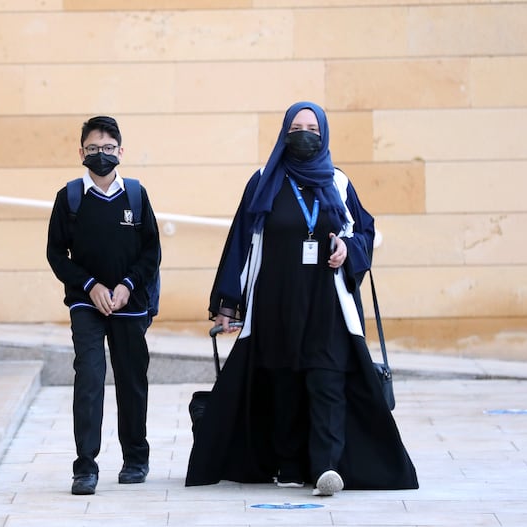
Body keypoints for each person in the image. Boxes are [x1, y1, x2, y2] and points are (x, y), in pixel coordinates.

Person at [185, 102, 418, 496]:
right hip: (276, 303)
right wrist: (228, 304)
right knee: (284, 382)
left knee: (327, 380)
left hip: (326, 303)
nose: (305, 133)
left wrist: (347, 249)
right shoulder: (264, 181)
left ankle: (327, 467)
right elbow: (241, 241)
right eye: (297, 126)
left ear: (324, 132)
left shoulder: (339, 183)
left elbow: (364, 232)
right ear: (284, 132)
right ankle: (290, 465)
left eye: (312, 126)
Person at [47, 116, 161, 496]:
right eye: (93, 149)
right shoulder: (70, 198)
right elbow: (56, 254)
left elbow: (151, 251)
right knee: (90, 379)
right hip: (86, 304)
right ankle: (85, 467)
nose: (101, 155)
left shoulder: (136, 195)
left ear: (121, 152)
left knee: (132, 381)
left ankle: (135, 458)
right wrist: (90, 285)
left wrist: (128, 285)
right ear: (81, 153)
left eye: (108, 149)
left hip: (129, 304)